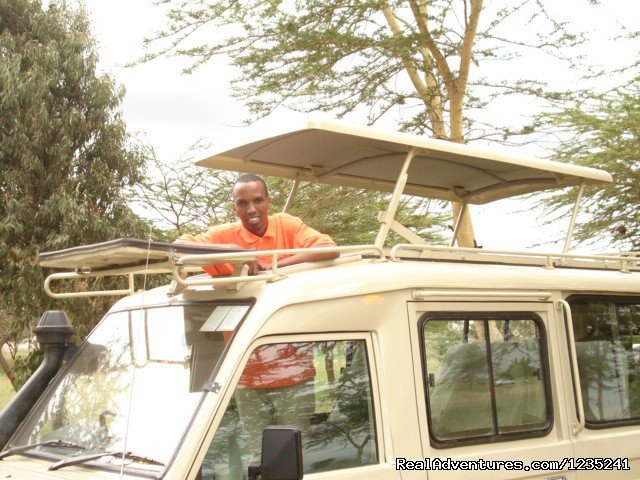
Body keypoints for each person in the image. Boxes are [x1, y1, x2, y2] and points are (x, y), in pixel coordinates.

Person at [177, 173, 339, 276]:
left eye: (258, 201)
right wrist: (234, 252)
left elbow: (330, 248)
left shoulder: (286, 224)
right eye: (242, 203)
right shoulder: (222, 234)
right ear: (235, 209)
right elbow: (179, 246)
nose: (251, 210)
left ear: (268, 203)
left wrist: (274, 265)